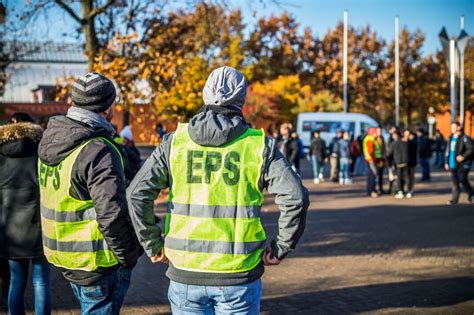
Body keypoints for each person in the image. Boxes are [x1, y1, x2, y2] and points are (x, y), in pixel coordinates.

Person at [127, 66, 309, 314]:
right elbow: (295, 197)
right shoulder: (258, 146)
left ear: (205, 95)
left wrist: (152, 243)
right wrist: (281, 247)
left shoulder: (175, 143)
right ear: (241, 100)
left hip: (185, 272)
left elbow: (137, 193)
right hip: (238, 273)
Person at [37, 73, 141, 314]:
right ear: (107, 107)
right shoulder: (99, 150)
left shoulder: (49, 140)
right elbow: (111, 214)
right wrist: (128, 256)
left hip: (64, 256)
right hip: (97, 263)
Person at [0, 112, 51, 315]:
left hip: (11, 230)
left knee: (16, 281)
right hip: (40, 226)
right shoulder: (43, 152)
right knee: (41, 282)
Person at [445, 122, 473, 205]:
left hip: (463, 164)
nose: (452, 128)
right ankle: (454, 200)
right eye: (451, 127)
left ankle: (471, 194)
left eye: (454, 127)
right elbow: (447, 151)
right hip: (452, 163)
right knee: (455, 182)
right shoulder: (451, 138)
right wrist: (446, 162)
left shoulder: (465, 138)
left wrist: (463, 156)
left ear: (459, 127)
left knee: (462, 179)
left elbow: (471, 149)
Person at [388, 129, 411, 199]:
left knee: (399, 178)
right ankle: (408, 191)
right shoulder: (405, 143)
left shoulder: (393, 144)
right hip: (405, 162)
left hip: (398, 163)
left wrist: (390, 163)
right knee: (406, 178)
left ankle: (400, 191)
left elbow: (389, 154)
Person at [363, 127, 381, 197]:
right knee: (372, 175)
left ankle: (371, 190)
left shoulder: (370, 138)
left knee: (372, 175)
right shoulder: (370, 139)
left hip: (370, 159)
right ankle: (371, 191)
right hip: (371, 159)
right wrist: (375, 157)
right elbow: (371, 151)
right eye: (375, 132)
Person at [375, 127, 387, 194]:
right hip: (376, 159)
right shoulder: (374, 138)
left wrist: (384, 156)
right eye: (378, 131)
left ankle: (380, 188)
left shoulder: (382, 138)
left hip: (381, 160)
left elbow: (384, 148)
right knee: (376, 175)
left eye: (380, 131)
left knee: (381, 175)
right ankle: (376, 189)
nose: (379, 133)